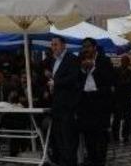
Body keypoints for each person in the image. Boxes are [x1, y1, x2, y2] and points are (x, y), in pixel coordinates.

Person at [75, 37, 115, 166]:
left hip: (100, 101)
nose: (85, 49)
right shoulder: (79, 60)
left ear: (94, 47)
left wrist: (93, 69)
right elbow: (76, 80)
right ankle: (91, 158)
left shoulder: (104, 60)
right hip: (85, 101)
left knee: (101, 133)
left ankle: (100, 160)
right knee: (88, 133)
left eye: (87, 46)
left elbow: (109, 79)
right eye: (83, 47)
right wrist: (82, 70)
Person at [47, 35, 80, 166]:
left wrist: (55, 83)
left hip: (68, 105)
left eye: (56, 45)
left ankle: (70, 162)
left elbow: (73, 78)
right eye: (52, 45)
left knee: (68, 137)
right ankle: (62, 161)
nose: (53, 48)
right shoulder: (54, 61)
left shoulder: (71, 59)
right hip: (57, 104)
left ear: (64, 45)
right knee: (59, 135)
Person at [111, 55, 131, 143]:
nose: (124, 63)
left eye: (126, 61)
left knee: (127, 117)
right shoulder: (116, 71)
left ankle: (125, 135)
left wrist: (128, 83)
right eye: (123, 61)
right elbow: (113, 82)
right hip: (118, 97)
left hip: (128, 96)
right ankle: (115, 135)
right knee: (117, 117)